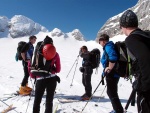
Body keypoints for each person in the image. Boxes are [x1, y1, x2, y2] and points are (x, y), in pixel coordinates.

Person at [120, 10, 150, 113]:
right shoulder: (145, 36)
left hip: (147, 91)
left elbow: (145, 59)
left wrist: (143, 85)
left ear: (124, 26)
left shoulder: (132, 39)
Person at [31, 36, 61, 113]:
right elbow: (58, 69)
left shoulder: (37, 53)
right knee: (49, 101)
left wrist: (35, 75)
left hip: (40, 79)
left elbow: (31, 68)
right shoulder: (55, 54)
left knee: (37, 101)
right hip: (52, 79)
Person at [99, 34, 123, 113]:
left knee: (111, 92)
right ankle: (117, 109)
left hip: (112, 73)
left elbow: (113, 57)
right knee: (112, 91)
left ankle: (118, 110)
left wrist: (109, 68)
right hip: (114, 73)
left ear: (103, 41)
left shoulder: (108, 46)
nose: (100, 43)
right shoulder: (110, 46)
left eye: (100, 41)